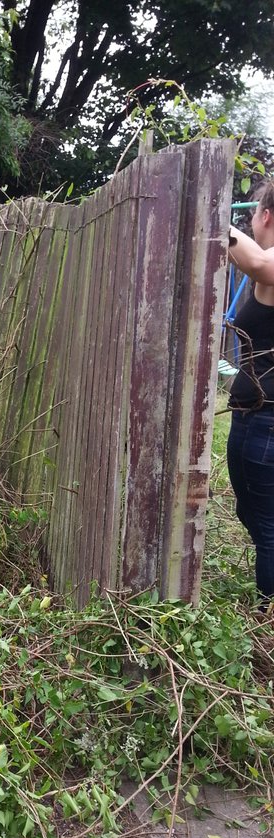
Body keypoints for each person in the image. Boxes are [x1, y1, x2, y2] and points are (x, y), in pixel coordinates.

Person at [227, 180, 274, 607]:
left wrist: (217, 222)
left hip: (267, 418)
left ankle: (267, 614)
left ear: (266, 215)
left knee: (267, 523)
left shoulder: (270, 258)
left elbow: (259, 263)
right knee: (251, 510)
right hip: (253, 414)